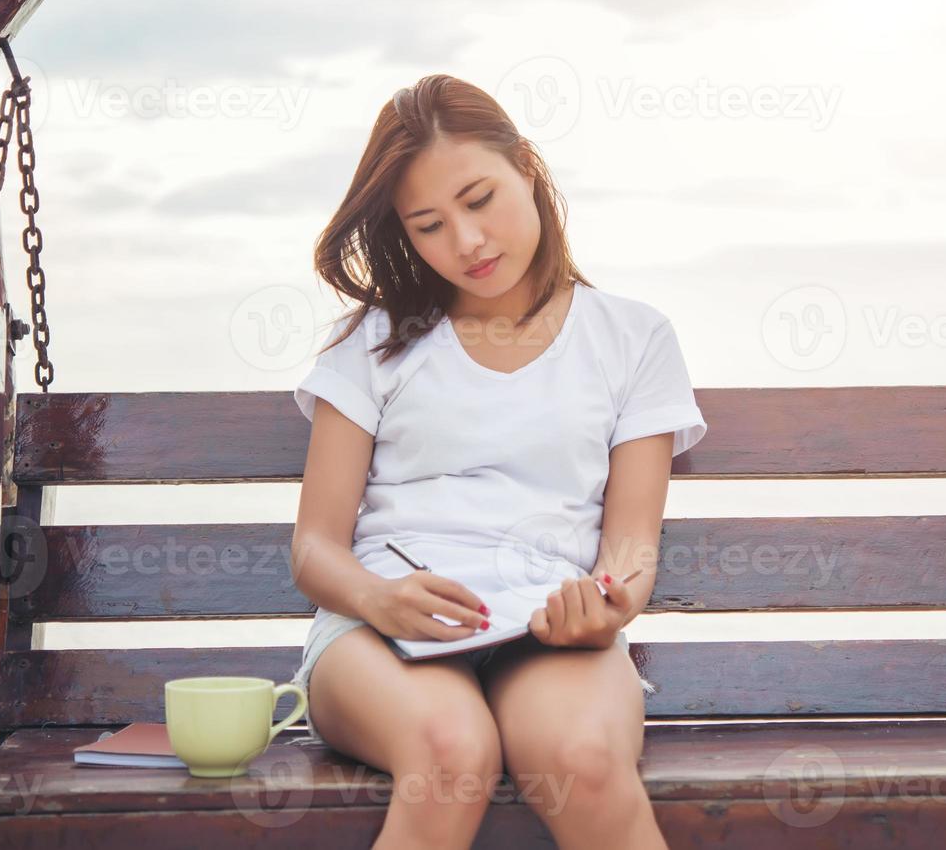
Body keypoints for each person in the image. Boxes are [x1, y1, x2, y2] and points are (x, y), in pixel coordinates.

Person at [288, 74, 708, 849]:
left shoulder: (633, 338)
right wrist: (379, 600)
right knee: (451, 752)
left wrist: (609, 602)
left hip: (546, 627)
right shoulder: (376, 342)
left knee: (581, 759)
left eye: (479, 200)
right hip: (380, 636)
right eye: (429, 225)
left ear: (527, 167)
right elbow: (314, 548)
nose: (468, 243)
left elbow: (629, 543)